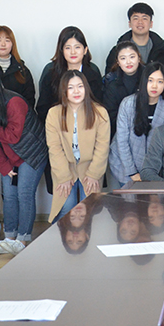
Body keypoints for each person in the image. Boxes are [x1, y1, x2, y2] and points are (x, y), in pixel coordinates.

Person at [0, 69, 48, 255]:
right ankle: (9, 238)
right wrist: (5, 167)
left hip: (31, 153)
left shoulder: (14, 102)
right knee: (9, 194)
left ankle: (22, 239)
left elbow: (13, 137)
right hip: (10, 157)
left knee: (24, 193)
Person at [46, 70, 110, 223]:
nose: (76, 91)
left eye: (80, 86)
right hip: (65, 166)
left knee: (88, 208)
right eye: (71, 87)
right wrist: (63, 176)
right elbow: (54, 147)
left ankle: (86, 238)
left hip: (90, 167)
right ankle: (61, 238)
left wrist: (94, 174)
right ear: (64, 91)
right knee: (66, 207)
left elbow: (102, 146)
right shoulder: (54, 113)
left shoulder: (100, 112)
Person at [110, 62, 164, 186]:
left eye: (160, 81)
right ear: (144, 81)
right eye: (150, 80)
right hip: (124, 167)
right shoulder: (128, 103)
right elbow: (122, 142)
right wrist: (132, 173)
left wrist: (151, 173)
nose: (154, 86)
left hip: (154, 171)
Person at [36, 26, 103, 121]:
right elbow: (43, 108)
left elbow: (99, 106)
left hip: (88, 124)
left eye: (77, 47)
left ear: (85, 50)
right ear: (62, 51)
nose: (73, 52)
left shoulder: (93, 74)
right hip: (58, 124)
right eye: (68, 48)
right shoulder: (51, 74)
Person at [105, 2, 164, 73]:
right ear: (129, 23)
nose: (140, 22)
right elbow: (110, 76)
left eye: (144, 18)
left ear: (151, 24)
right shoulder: (117, 51)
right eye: (136, 18)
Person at [0, 25, 35, 108]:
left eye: (7, 40)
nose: (3, 44)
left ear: (12, 44)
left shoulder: (22, 70)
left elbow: (29, 100)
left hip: (16, 114)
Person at [102, 41, 143, 138]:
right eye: (123, 58)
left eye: (132, 57)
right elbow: (110, 115)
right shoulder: (111, 81)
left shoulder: (149, 77)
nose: (128, 62)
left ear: (139, 58)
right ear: (118, 62)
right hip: (119, 132)